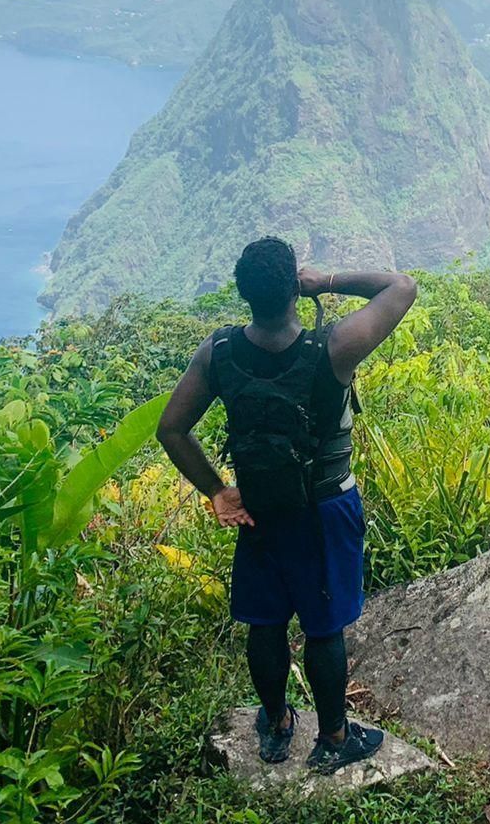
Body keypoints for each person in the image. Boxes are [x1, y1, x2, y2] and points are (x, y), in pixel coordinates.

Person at [156, 237, 416, 772]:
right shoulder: (334, 347)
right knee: (323, 629)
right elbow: (402, 286)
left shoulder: (220, 353)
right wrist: (327, 282)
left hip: (259, 509)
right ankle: (335, 737)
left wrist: (217, 491)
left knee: (266, 623)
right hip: (324, 506)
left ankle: (276, 726)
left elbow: (172, 429)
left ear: (244, 293)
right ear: (293, 288)